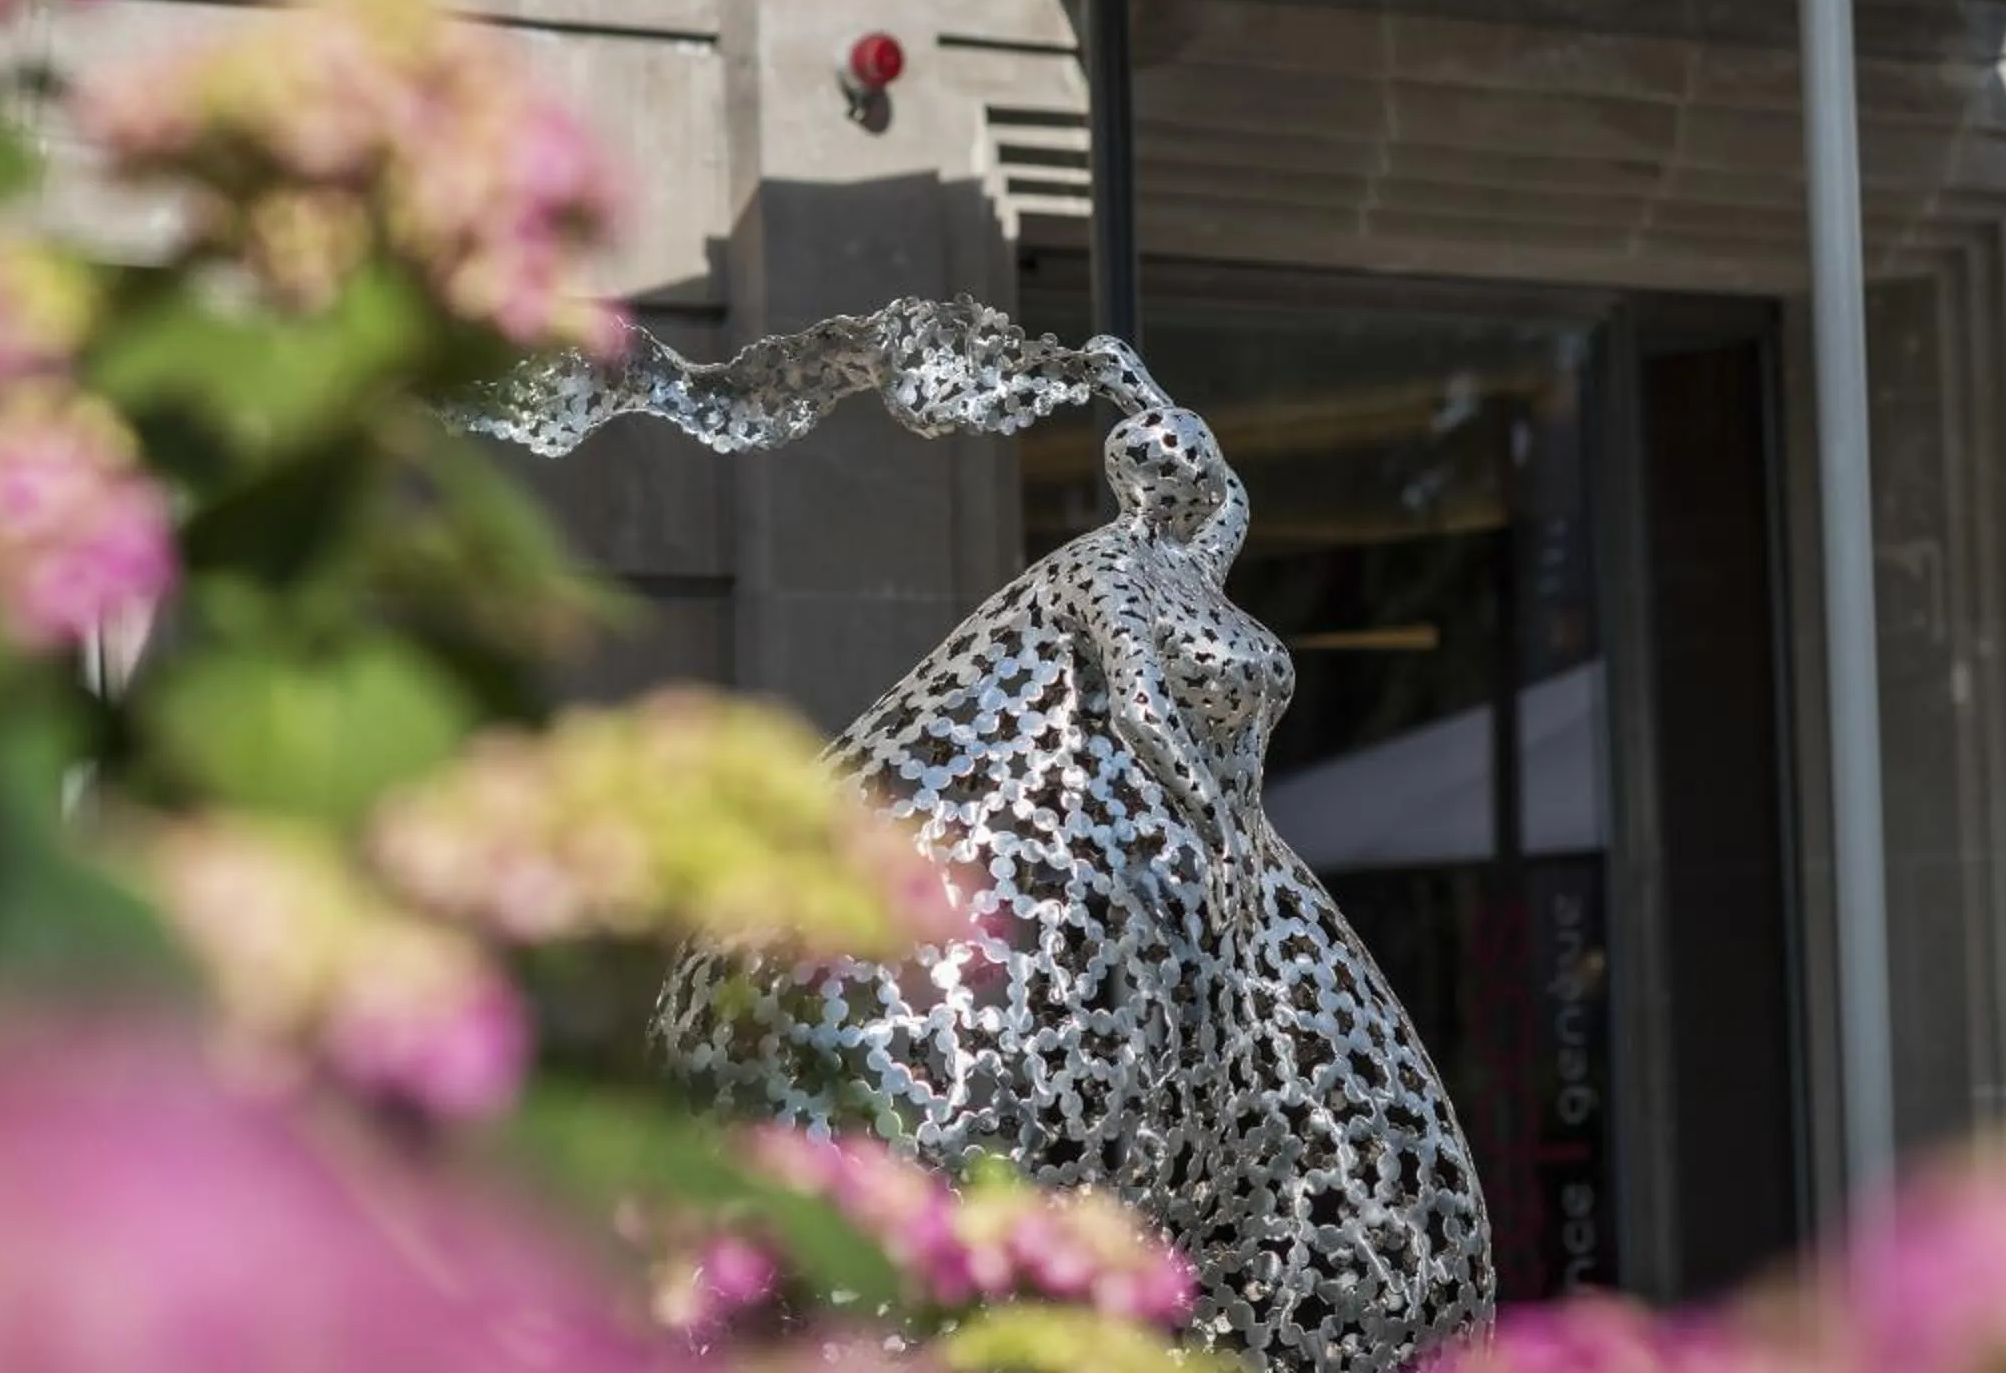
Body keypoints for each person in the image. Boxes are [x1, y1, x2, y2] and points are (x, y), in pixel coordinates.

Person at [465, 301, 1494, 1373]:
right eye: (1166, 459)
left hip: (1223, 863)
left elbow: (1226, 501)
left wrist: (1124, 382)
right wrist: (1212, 810)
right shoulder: (1113, 569)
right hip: (1184, 838)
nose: (1186, 472)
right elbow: (1140, 703)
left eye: (1191, 461)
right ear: (1141, 479)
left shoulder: (1198, 556)